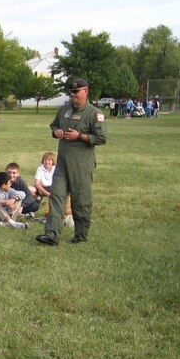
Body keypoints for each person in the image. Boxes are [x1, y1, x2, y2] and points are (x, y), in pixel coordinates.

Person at [36, 78, 108, 245]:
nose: (73, 94)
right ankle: (52, 235)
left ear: (86, 92)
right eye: (71, 92)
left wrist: (80, 136)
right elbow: (53, 126)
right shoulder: (64, 109)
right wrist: (57, 132)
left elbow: (102, 138)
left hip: (81, 164)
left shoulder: (94, 113)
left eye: (76, 92)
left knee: (80, 199)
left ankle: (81, 235)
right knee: (56, 196)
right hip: (62, 163)